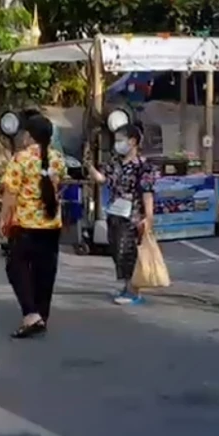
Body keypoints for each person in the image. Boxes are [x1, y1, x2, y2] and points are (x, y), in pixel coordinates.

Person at [0, 112, 67, 339]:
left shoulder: (20, 159)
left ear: (28, 136)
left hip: (25, 224)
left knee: (16, 267)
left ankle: (30, 314)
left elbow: (10, 193)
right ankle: (42, 315)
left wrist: (3, 219)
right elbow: (60, 183)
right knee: (45, 271)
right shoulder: (57, 158)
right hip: (52, 224)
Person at [88, 123, 157, 305]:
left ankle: (134, 291)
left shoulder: (143, 166)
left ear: (133, 141)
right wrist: (91, 169)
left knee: (129, 252)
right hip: (115, 213)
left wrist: (148, 217)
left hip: (133, 215)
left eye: (120, 140)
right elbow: (104, 180)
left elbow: (147, 192)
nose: (117, 144)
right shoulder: (115, 163)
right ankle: (127, 286)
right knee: (117, 251)